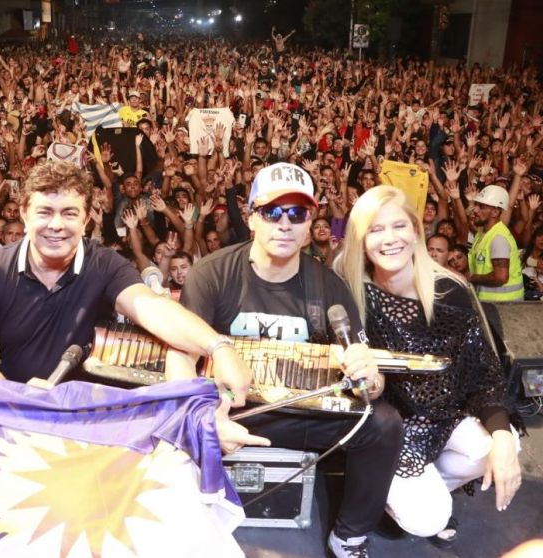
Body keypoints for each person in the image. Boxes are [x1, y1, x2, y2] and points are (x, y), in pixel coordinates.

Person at [166, 163, 402, 558]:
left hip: (293, 411)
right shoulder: (212, 274)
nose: (285, 223)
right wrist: (203, 420)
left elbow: (369, 384)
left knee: (382, 424)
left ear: (310, 224)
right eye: (272, 211)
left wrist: (370, 378)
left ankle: (349, 537)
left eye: (298, 213)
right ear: (251, 217)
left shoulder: (326, 285)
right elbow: (181, 358)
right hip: (229, 409)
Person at [0, 160, 256, 411]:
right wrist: (18, 398)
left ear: (86, 219)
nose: (56, 225)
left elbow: (152, 307)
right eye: (44, 212)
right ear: (23, 214)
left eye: (69, 213)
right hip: (15, 413)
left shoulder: (104, 263)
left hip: (90, 416)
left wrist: (218, 347)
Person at [336, 185, 521, 549]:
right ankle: (395, 493)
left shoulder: (449, 292)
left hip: (440, 418)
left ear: (416, 231)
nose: (389, 239)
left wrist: (501, 436)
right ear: (360, 240)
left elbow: (484, 373)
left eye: (399, 226)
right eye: (375, 229)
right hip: (384, 424)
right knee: (428, 519)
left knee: (505, 443)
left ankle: (414, 488)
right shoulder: (348, 286)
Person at [468, 185, 524, 301]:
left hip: (505, 306)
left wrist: (471, 277)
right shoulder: (482, 233)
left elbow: (500, 278)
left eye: (482, 206)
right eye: (476, 205)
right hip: (493, 303)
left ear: (494, 212)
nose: (475, 210)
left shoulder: (498, 239)